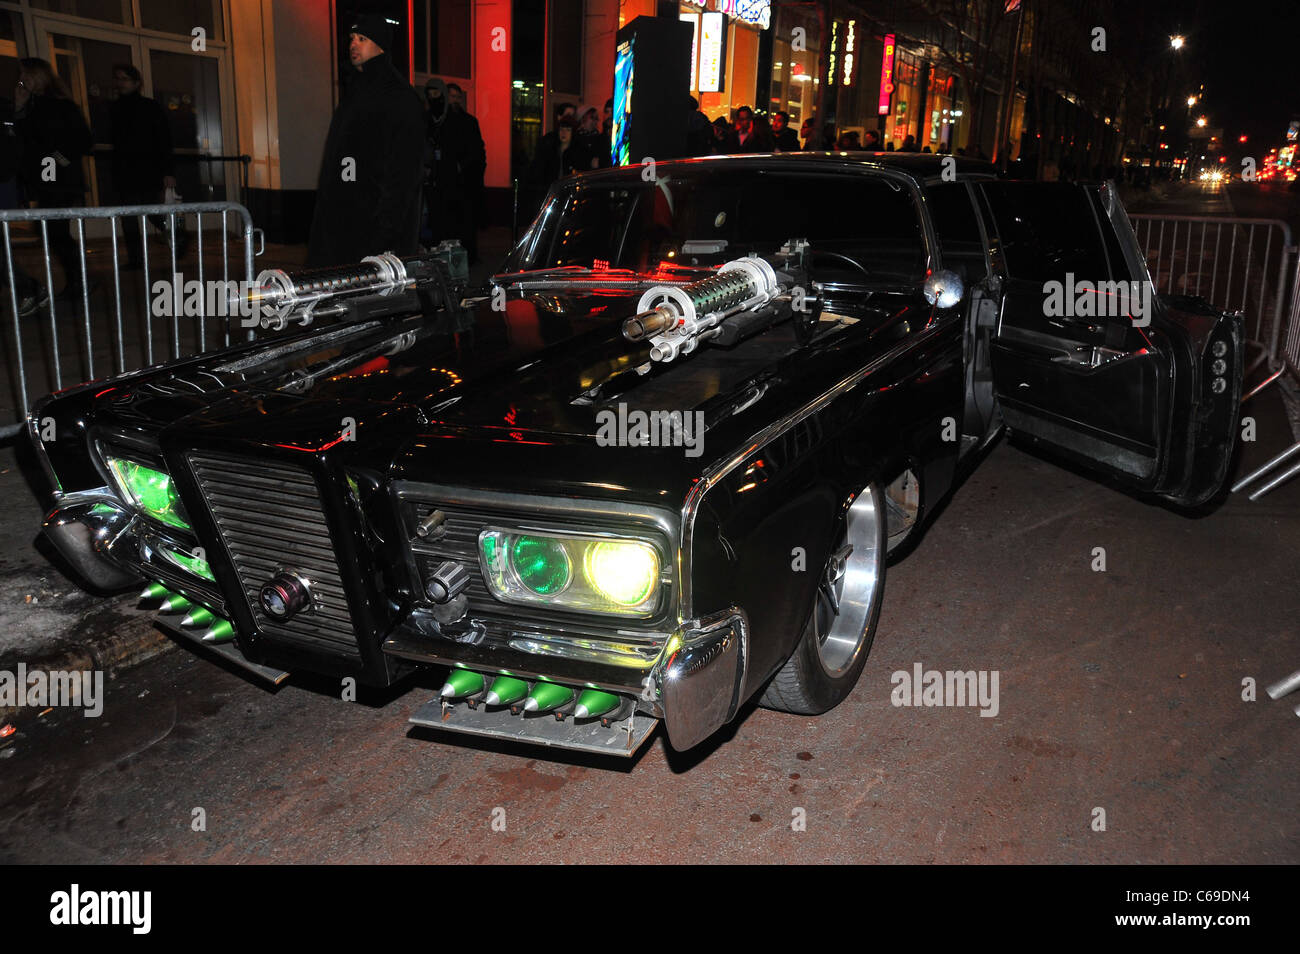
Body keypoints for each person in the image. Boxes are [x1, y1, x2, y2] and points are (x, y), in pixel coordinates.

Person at [307, 14, 425, 267]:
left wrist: (385, 234)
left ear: (381, 45)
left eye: (362, 39)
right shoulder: (355, 93)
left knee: (365, 301)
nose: (353, 45)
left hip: (371, 232)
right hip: (338, 227)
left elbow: (403, 172)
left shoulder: (399, 98)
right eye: (351, 38)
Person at [14, 58, 93, 301]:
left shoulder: (59, 105)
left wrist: (56, 160)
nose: (23, 80)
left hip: (59, 182)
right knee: (52, 232)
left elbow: (82, 140)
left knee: (55, 232)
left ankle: (81, 281)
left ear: (39, 76)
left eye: (27, 75)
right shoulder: (33, 104)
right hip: (48, 181)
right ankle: (80, 280)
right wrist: (19, 108)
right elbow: (25, 140)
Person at [108, 63, 179, 268]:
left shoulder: (149, 107)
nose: (120, 83)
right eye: (118, 78)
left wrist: (167, 171)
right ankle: (136, 258)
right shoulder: (115, 108)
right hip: (125, 171)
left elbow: (163, 140)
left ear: (136, 82)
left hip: (148, 170)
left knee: (151, 211)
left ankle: (176, 237)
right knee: (129, 217)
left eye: (124, 79)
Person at [424, 77, 485, 262]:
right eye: (452, 96)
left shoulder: (468, 122)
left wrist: (462, 166)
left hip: (462, 184)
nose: (455, 100)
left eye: (458, 97)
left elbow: (477, 152)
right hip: (440, 183)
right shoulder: (434, 120)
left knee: (463, 224)